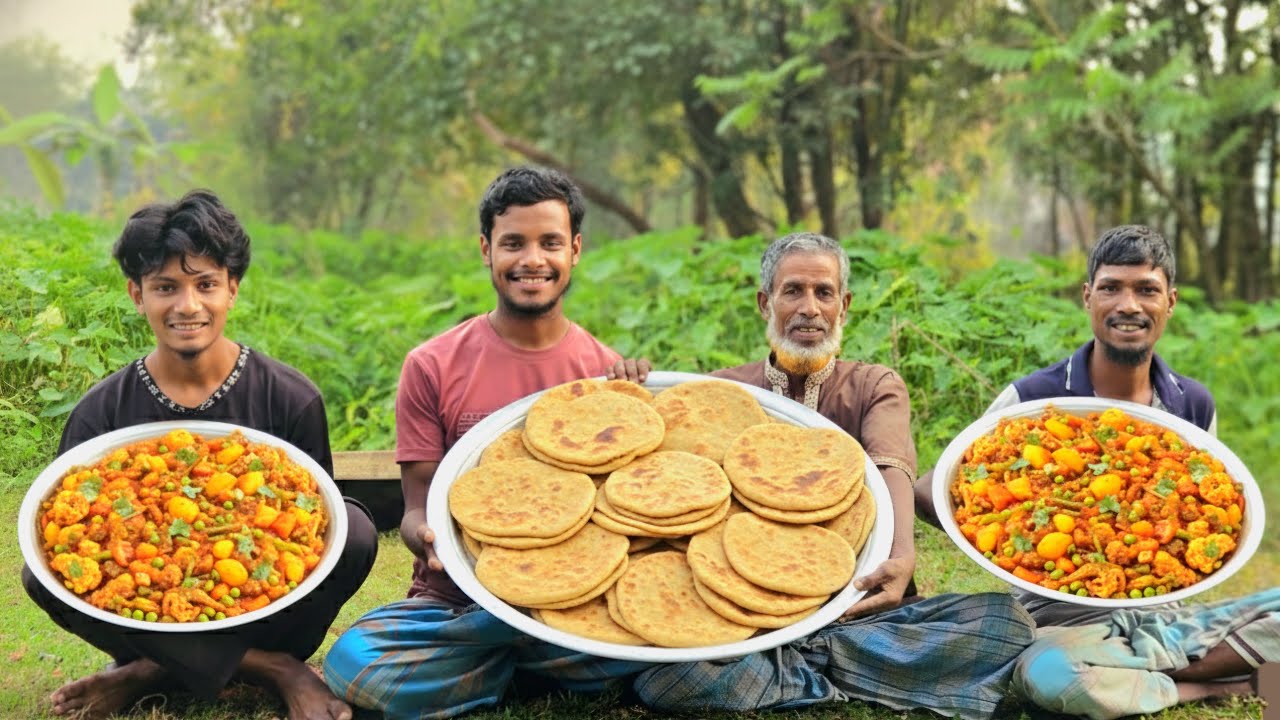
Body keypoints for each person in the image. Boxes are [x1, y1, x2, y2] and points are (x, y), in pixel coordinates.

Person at [632, 232, 1036, 720]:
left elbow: (892, 465)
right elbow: (663, 474)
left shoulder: (874, 385)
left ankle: (792, 669)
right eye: (792, 291)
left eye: (823, 293)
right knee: (670, 679)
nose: (809, 308)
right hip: (748, 614)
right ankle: (833, 669)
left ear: (844, 305)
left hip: (856, 606)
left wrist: (902, 556)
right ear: (766, 302)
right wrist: (631, 389)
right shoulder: (723, 391)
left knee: (1004, 623)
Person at [22, 189, 378, 720]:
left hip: (263, 607)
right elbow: (72, 549)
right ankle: (274, 670)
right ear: (136, 295)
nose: (188, 306)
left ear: (232, 290)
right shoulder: (101, 412)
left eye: (205, 284)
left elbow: (315, 531)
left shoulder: (291, 396)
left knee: (353, 529)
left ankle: (148, 672)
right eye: (166, 287)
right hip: (147, 622)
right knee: (40, 574)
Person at [323, 166, 650, 720]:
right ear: (485, 249)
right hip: (457, 602)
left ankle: (495, 665)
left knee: (658, 643)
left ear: (574, 249)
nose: (532, 260)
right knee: (353, 663)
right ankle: (529, 663)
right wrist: (430, 541)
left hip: (572, 605)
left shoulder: (603, 377)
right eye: (513, 243)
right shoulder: (432, 365)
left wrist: (641, 403)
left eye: (550, 243)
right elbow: (415, 508)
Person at [914, 225, 1278, 719]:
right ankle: (1215, 683)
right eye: (1111, 288)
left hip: (1167, 615)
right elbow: (937, 489)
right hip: (1059, 621)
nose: (1129, 304)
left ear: (1169, 302)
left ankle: (1150, 665)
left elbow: (1216, 521)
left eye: (1146, 289)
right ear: (1088, 297)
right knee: (1051, 676)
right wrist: (987, 541)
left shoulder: (1192, 402)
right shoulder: (1030, 400)